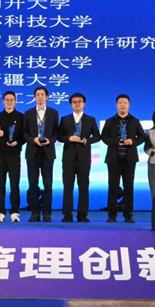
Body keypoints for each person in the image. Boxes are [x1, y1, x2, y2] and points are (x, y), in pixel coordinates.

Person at [101, 94, 147, 223]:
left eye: (125, 103)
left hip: (129, 159)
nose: (123, 105)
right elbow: (104, 137)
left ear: (129, 105)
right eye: (120, 103)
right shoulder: (110, 121)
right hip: (113, 159)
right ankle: (112, 215)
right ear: (116, 105)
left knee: (129, 187)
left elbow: (142, 137)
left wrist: (133, 141)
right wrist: (115, 142)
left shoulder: (134, 121)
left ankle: (128, 214)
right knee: (113, 187)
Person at [58, 93, 101, 222]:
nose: (77, 104)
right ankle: (67, 215)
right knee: (68, 187)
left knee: (83, 186)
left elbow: (97, 136)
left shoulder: (90, 119)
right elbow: (59, 137)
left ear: (84, 104)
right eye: (74, 102)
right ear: (71, 104)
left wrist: (86, 140)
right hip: (68, 158)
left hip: (84, 157)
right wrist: (69, 138)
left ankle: (82, 215)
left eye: (79, 101)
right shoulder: (65, 119)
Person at [22, 86, 60, 222]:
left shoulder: (54, 113)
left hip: (48, 152)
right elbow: (24, 132)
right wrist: (33, 140)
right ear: (34, 97)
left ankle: (47, 213)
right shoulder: (28, 113)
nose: (40, 97)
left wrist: (50, 140)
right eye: (37, 94)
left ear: (47, 97)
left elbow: (56, 132)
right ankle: (35, 213)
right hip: (32, 151)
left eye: (42, 94)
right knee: (33, 184)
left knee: (48, 184)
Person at [0, 91, 24, 223]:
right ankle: (0, 212)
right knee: (0, 184)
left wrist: (17, 143)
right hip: (0, 154)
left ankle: (15, 211)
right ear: (3, 101)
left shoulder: (21, 117)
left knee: (14, 184)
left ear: (15, 101)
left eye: (12, 100)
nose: (9, 102)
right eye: (7, 100)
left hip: (14, 154)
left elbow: (25, 135)